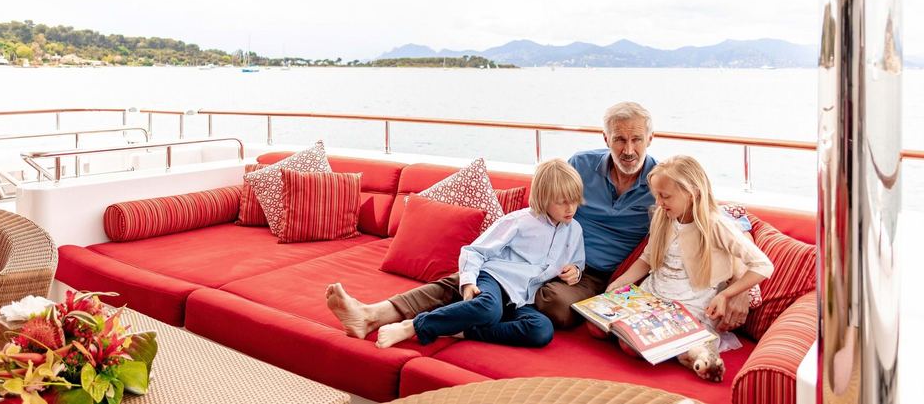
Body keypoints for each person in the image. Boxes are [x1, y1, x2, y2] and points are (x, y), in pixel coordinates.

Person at [326, 102, 755, 337]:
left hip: (590, 274)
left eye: (637, 139)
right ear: (604, 138)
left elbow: (717, 216)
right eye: (619, 139)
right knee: (486, 276)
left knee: (559, 311)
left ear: (651, 138)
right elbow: (541, 206)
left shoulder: (663, 183)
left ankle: (471, 319)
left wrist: (739, 292)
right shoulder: (578, 166)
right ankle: (377, 313)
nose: (628, 149)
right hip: (540, 260)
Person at [374, 159, 585, 349]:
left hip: (522, 299)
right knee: (487, 311)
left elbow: (577, 261)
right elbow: (474, 251)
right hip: (495, 279)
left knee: (541, 330)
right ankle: (414, 326)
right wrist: (467, 282)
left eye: (574, 200)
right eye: (562, 201)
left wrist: (575, 270)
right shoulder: (519, 222)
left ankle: (462, 330)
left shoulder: (574, 230)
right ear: (544, 198)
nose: (570, 208)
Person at [607, 155, 773, 382]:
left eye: (665, 196)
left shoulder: (716, 224)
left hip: (693, 302)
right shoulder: (662, 217)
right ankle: (687, 350)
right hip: (654, 294)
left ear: (692, 192)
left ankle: (698, 354)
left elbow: (763, 266)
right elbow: (646, 260)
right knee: (607, 332)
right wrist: (618, 284)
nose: (659, 202)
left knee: (640, 344)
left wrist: (726, 294)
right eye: (656, 195)